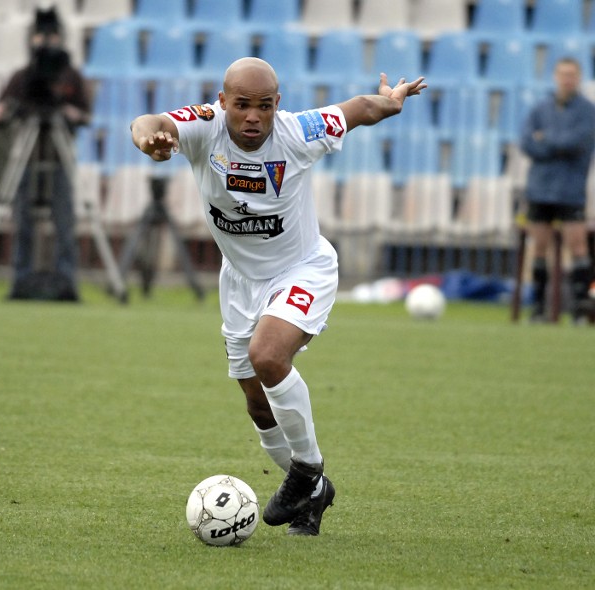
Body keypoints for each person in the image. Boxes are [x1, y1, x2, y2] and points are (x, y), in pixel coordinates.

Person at [131, 58, 426, 535]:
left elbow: (356, 109)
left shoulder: (297, 132)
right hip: (241, 282)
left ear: (277, 106)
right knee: (257, 403)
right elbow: (149, 122)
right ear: (222, 102)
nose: (252, 117)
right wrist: (148, 139)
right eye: (242, 105)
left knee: (267, 356)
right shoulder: (205, 128)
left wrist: (390, 102)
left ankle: (306, 470)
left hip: (302, 269)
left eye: (263, 106)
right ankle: (315, 494)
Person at [0, 7, 91, 301]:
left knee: (64, 222)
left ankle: (66, 283)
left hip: (59, 159)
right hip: (28, 158)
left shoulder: (69, 74)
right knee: (22, 221)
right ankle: (20, 281)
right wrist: (10, 108)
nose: (46, 41)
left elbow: (85, 115)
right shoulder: (23, 76)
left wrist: (69, 111)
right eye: (40, 35)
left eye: (51, 35)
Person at [521, 57, 595, 323]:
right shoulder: (540, 109)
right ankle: (538, 308)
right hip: (540, 188)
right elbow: (527, 143)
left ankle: (580, 309)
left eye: (572, 74)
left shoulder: (587, 111)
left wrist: (546, 140)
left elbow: (577, 142)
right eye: (563, 74)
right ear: (555, 76)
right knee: (539, 247)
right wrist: (554, 145)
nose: (567, 79)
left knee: (577, 246)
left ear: (579, 77)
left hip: (570, 190)